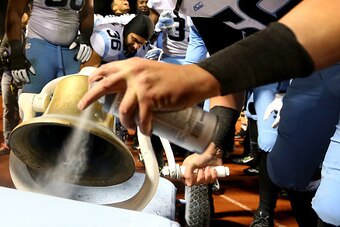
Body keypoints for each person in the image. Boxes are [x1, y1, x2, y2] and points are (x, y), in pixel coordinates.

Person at [78, 1, 340, 226]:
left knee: (333, 206)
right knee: (286, 172)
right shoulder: (193, 7)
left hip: (321, 56)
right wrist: (215, 144)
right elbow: (230, 74)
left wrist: (195, 77)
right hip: (308, 73)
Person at [6, 0, 94, 94]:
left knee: (73, 103)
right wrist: (16, 52)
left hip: (71, 50)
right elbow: (14, 11)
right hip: (40, 46)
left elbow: (87, 11)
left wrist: (86, 35)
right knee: (34, 102)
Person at [0, 3, 31, 155]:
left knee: (23, 108)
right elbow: (3, 49)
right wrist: (6, 55)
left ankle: (23, 143)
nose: (21, 16)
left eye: (24, 14)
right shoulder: (10, 32)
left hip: (24, 76)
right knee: (7, 108)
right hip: (8, 73)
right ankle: (7, 142)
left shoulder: (33, 32)